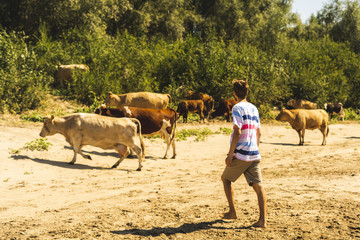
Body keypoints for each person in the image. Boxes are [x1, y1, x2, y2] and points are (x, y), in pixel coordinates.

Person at [220, 79, 267, 228]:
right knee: (258, 187)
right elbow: (259, 132)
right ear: (247, 92)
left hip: (241, 153)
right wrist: (256, 149)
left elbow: (238, 131)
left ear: (234, 93)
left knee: (226, 179)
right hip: (254, 152)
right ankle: (262, 221)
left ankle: (232, 212)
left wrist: (230, 154)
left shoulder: (237, 108)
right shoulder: (254, 108)